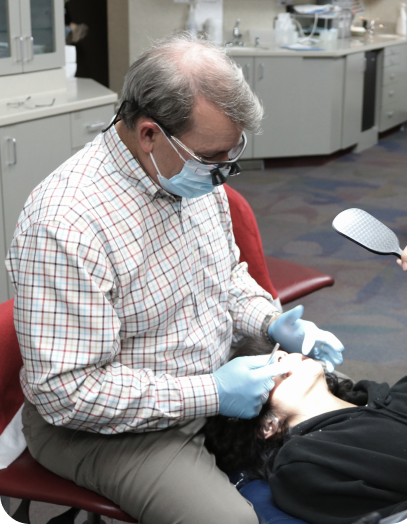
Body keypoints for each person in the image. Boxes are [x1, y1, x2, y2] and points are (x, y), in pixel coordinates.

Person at [6, 33, 344, 524]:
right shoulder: (65, 223)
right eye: (213, 159)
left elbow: (226, 278)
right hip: (105, 428)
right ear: (149, 135)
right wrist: (211, 393)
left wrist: (270, 321)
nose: (223, 175)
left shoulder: (191, 173)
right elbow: (69, 392)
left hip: (203, 373)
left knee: (349, 421)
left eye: (233, 156)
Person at [205, 336, 407, 524]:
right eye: (268, 369)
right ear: (266, 425)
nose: (285, 358)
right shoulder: (302, 463)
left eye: (284, 353)